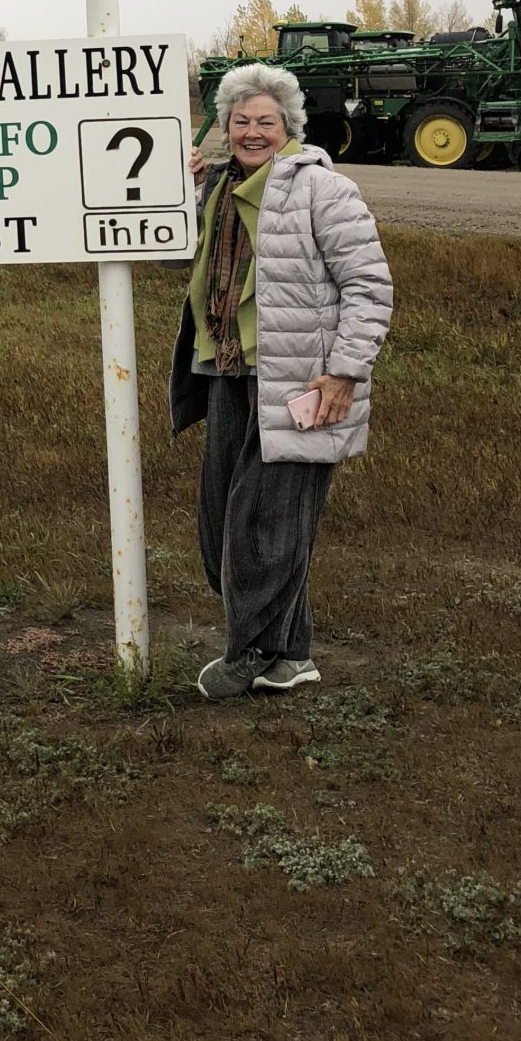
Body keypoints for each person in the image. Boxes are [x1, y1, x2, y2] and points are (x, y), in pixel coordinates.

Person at [171, 63, 392, 701]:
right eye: (240, 120)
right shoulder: (215, 186)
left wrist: (345, 372)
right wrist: (176, 192)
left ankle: (251, 652)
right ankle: (292, 657)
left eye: (265, 121)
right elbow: (169, 252)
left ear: (289, 126)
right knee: (223, 521)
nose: (251, 131)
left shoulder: (324, 189)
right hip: (227, 372)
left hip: (303, 384)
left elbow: (368, 286)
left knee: (265, 525)